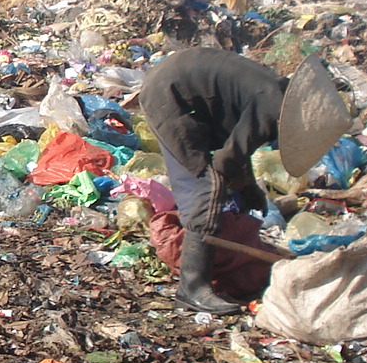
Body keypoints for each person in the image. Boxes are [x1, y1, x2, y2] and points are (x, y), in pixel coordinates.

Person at [140, 49, 351, 314]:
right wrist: (228, 192)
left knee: (214, 185)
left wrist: (247, 187)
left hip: (184, 93)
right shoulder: (272, 105)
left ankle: (205, 271)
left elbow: (237, 145)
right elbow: (227, 159)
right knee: (206, 186)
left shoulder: (275, 95)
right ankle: (192, 290)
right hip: (170, 95)